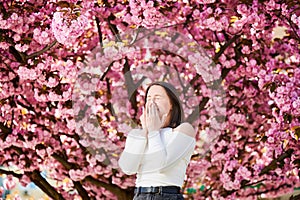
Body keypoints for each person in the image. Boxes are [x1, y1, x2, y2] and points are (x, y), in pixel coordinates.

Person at [118, 81, 196, 200]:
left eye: (157, 98)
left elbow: (161, 166)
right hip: (140, 195)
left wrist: (154, 132)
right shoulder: (137, 134)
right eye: (149, 98)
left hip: (167, 195)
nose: (152, 103)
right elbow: (128, 168)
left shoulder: (183, 130)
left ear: (171, 104)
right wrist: (145, 132)